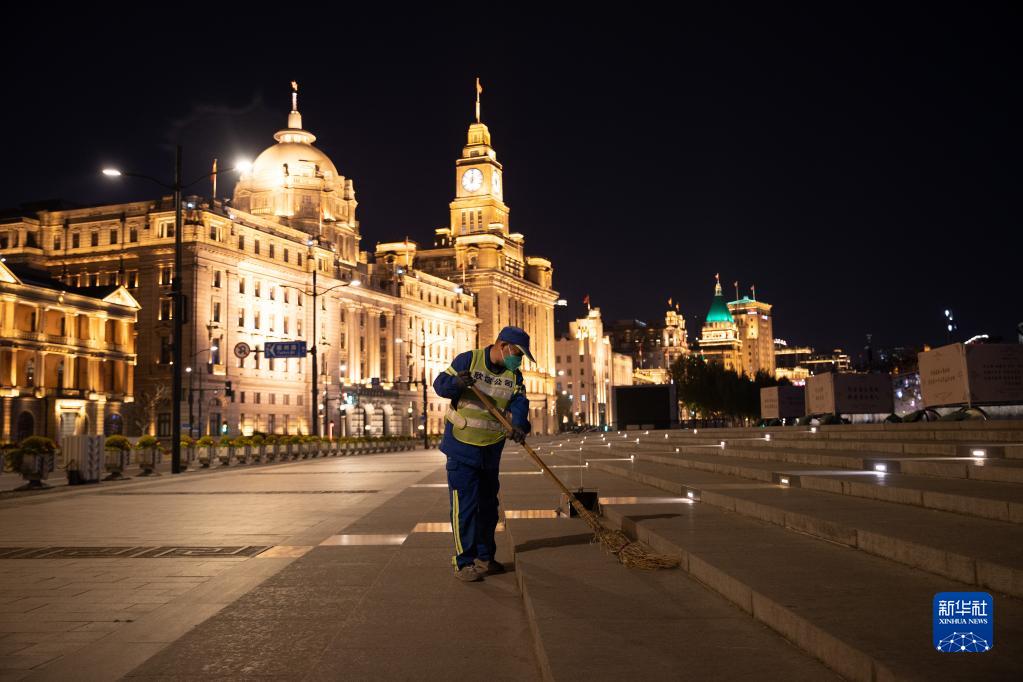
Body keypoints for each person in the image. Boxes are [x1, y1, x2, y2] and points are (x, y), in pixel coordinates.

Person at [433, 326, 532, 582]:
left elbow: (520, 402)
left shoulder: (513, 375)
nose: (518, 360)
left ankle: (485, 556)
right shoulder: (468, 360)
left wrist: (519, 426)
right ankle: (464, 562)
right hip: (462, 447)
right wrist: (457, 383)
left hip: (490, 449)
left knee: (488, 508)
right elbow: (440, 385)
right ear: (503, 346)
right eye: (517, 354)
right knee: (465, 508)